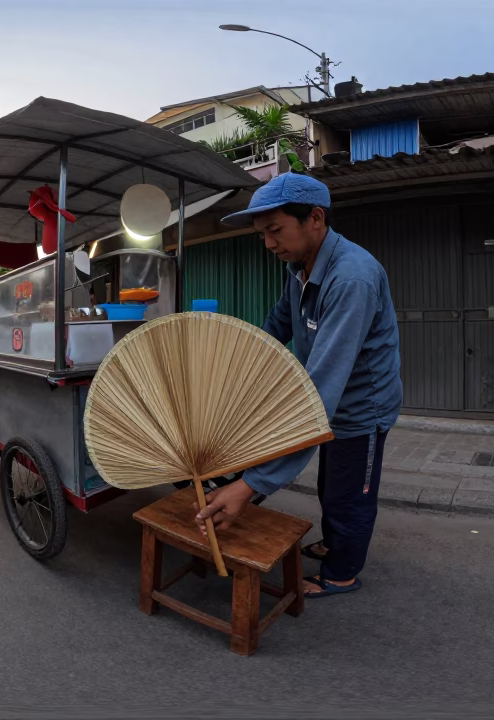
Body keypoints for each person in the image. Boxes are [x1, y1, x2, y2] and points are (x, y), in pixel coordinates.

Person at [194, 173, 402, 600]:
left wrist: (251, 485)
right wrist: (233, 372)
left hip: (362, 406)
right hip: (327, 397)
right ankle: (333, 541)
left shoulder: (351, 279)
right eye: (262, 234)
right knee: (330, 484)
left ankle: (343, 571)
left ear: (315, 218)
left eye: (275, 230)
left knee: (349, 494)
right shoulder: (299, 268)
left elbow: (320, 392)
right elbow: (277, 324)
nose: (269, 244)